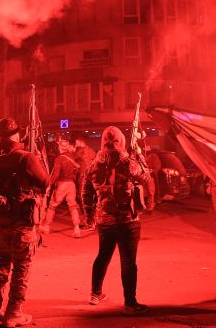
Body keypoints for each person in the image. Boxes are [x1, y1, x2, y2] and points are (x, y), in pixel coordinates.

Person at [0, 117, 49, 327]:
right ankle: (13, 312)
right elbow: (45, 181)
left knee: (2, 258)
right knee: (22, 265)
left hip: (2, 220)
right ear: (17, 134)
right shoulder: (26, 157)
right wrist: (37, 157)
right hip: (22, 220)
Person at [82, 126, 149, 314]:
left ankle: (95, 294)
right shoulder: (129, 163)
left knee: (103, 255)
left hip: (104, 219)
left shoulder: (93, 165)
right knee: (128, 260)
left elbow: (85, 191)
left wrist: (88, 215)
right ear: (121, 141)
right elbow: (146, 178)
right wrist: (140, 156)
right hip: (127, 219)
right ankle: (130, 302)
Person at [40, 137, 81, 238]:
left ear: (60, 147)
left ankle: (47, 226)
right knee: (72, 206)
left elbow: (56, 174)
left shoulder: (59, 159)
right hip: (72, 184)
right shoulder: (72, 157)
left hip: (62, 184)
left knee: (52, 206)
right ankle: (77, 228)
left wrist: (49, 185)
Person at [74, 136, 96, 228]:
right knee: (91, 200)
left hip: (82, 178)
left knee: (83, 199)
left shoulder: (79, 152)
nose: (75, 144)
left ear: (80, 141)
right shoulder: (92, 151)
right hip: (91, 177)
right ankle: (93, 220)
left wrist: (74, 149)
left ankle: (88, 222)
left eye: (76, 142)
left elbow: (71, 158)